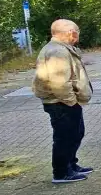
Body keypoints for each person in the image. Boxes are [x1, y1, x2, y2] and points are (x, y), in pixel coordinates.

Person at [32, 19, 93, 184]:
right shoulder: (57, 51)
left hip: (65, 101)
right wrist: (71, 101)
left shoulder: (61, 49)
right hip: (61, 102)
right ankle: (61, 172)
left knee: (76, 133)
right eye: (77, 31)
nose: (78, 35)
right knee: (65, 136)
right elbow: (59, 82)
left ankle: (71, 165)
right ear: (70, 33)